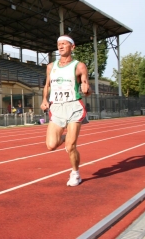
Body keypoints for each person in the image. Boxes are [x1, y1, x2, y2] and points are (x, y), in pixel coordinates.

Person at [40, 35, 92, 187]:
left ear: (72, 47)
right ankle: (66, 136)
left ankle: (75, 173)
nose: (60, 47)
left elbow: (86, 87)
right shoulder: (51, 66)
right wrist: (44, 100)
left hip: (73, 106)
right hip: (56, 107)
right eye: (58, 44)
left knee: (70, 147)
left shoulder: (79, 66)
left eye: (64, 44)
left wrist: (87, 90)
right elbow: (47, 85)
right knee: (51, 145)